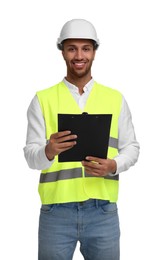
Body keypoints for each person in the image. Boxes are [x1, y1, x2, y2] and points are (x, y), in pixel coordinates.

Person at [24, 19, 140, 260]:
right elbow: (30, 156)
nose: (79, 55)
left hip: (103, 211)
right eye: (72, 48)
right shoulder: (42, 100)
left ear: (94, 52)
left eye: (86, 48)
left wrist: (114, 165)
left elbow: (131, 148)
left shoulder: (115, 99)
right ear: (63, 52)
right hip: (56, 212)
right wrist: (47, 151)